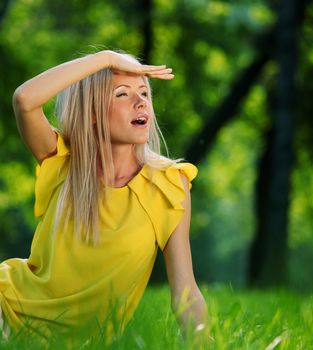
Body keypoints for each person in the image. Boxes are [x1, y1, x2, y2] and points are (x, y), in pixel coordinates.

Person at [0, 50, 207, 343]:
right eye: (122, 94)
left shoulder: (169, 185)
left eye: (144, 92)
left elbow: (186, 291)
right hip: (7, 310)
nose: (140, 102)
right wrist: (107, 58)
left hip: (83, 341)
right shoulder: (63, 161)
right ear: (93, 112)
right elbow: (25, 100)